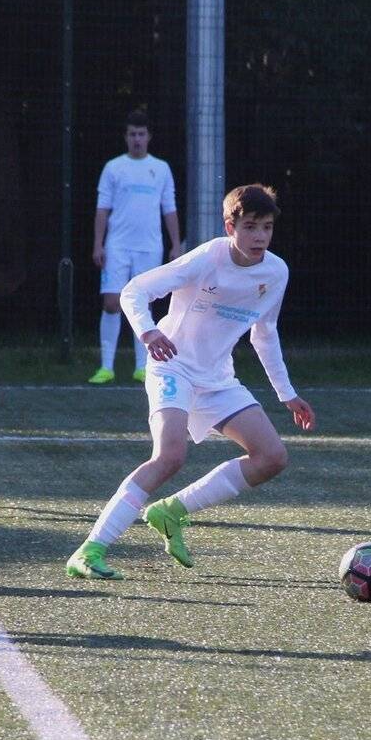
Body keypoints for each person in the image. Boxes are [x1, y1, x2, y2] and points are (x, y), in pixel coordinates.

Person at [66, 184, 314, 580]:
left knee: (272, 457)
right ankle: (90, 549)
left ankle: (172, 511)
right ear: (230, 227)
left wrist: (288, 394)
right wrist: (149, 332)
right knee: (170, 456)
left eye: (267, 227)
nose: (260, 237)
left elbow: (264, 333)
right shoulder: (209, 257)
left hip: (217, 379)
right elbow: (134, 291)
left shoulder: (275, 271)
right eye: (250, 227)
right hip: (173, 367)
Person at [88, 110, 182, 385]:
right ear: (126, 137)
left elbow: (169, 208)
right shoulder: (113, 167)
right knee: (111, 302)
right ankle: (106, 367)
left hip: (149, 246)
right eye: (132, 134)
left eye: (141, 134)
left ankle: (143, 367)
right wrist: (98, 244)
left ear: (149, 137)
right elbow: (102, 208)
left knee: (144, 302)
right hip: (117, 245)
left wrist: (175, 244)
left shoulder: (161, 168)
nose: (137, 139)